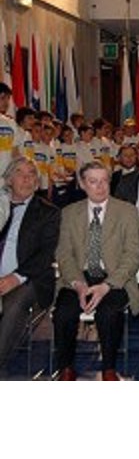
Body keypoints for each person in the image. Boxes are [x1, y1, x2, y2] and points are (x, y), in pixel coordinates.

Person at [53, 162, 139, 380]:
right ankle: (66, 368)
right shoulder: (69, 213)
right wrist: (78, 283)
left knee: (109, 313)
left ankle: (109, 368)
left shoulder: (127, 211)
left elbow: (132, 256)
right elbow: (64, 254)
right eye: (93, 182)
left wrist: (107, 285)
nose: (100, 187)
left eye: (104, 181)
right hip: (78, 276)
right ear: (82, 184)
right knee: (64, 312)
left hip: (115, 277)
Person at [0, 158, 60, 378]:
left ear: (37, 182)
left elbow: (46, 254)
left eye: (31, 174)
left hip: (30, 279)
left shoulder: (48, 213)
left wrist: (15, 278)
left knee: (14, 304)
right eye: (20, 173)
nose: (26, 179)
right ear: (8, 180)